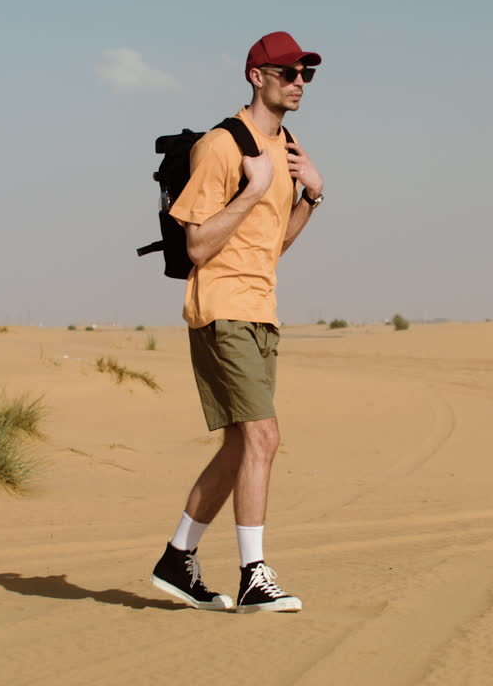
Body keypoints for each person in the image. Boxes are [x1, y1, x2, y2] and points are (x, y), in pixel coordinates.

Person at [150, 31, 325, 613]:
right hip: (220, 309)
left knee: (239, 447)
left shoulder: (287, 147)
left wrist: (309, 199)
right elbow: (198, 245)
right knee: (264, 437)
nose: (299, 82)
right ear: (256, 75)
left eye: (306, 74)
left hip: (261, 311)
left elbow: (270, 248)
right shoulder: (224, 147)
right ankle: (254, 573)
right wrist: (254, 189)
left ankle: (179, 558)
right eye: (288, 73)